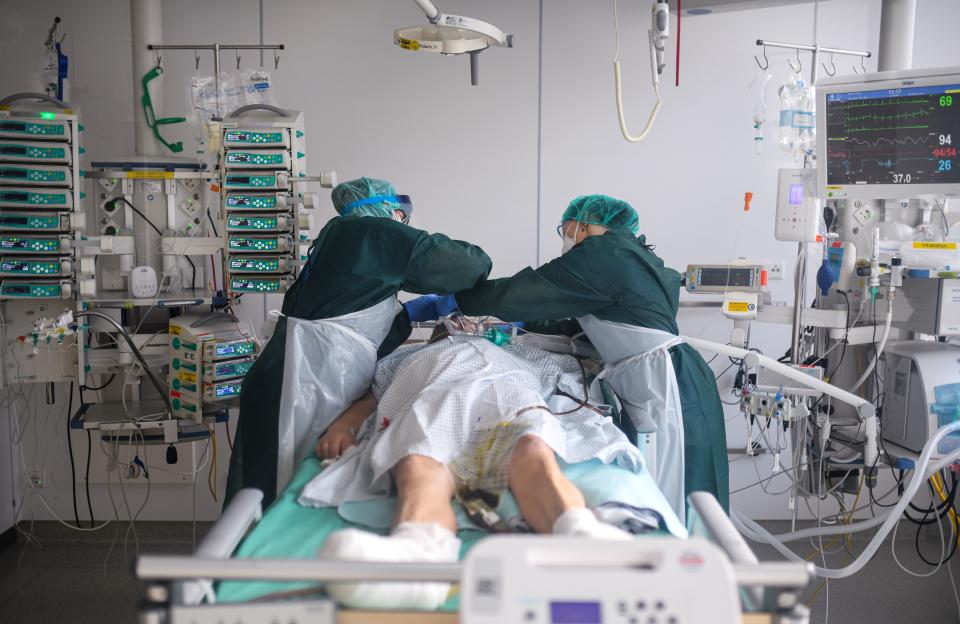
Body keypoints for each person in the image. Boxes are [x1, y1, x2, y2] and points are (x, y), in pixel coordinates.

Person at [407, 194, 728, 516]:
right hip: (670, 374)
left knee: (682, 487)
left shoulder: (602, 255)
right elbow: (579, 320)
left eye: (565, 227)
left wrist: (457, 301)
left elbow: (528, 290)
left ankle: (684, 558)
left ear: (582, 225)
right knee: (687, 483)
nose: (565, 235)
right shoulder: (635, 257)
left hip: (668, 384)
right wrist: (523, 322)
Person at [307, 325, 656, 610]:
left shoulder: (519, 350)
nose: (465, 325)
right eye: (452, 324)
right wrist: (341, 427)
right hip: (432, 392)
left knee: (531, 447)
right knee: (417, 459)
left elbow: (564, 383)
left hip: (505, 389)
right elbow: (370, 396)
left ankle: (579, 535)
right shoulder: (406, 355)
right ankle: (420, 557)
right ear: (437, 333)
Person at [225, 177, 492, 507]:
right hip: (304, 380)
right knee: (277, 481)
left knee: (264, 480)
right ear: (385, 210)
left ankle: (251, 547)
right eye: (399, 215)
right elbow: (471, 265)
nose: (403, 223)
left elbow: (355, 326)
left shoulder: (340, 239)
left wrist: (411, 314)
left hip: (293, 371)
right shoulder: (371, 234)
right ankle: (261, 554)